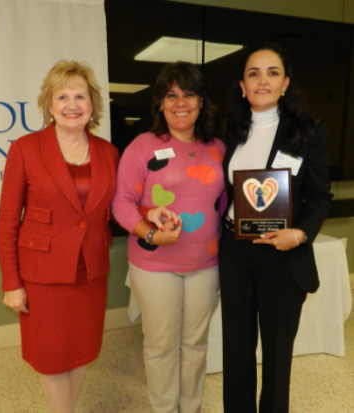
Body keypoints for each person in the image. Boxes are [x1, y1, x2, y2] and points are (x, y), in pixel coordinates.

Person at [0, 60, 119, 413]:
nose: (72, 105)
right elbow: (7, 223)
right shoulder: (25, 149)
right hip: (42, 276)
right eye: (62, 96)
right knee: (50, 359)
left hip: (90, 272)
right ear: (49, 104)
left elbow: (125, 204)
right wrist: (11, 282)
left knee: (82, 352)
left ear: (93, 104)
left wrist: (152, 215)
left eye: (80, 96)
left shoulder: (108, 153)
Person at [219, 42, 333, 412]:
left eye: (272, 73)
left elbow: (319, 198)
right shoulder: (229, 132)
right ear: (242, 85)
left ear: (286, 83)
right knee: (236, 349)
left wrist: (299, 234)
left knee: (277, 353)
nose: (262, 81)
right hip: (235, 251)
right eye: (253, 73)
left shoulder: (310, 132)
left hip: (282, 254)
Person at [111, 61, 226, 413]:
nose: (180, 102)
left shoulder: (219, 148)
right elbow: (121, 203)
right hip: (155, 265)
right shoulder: (143, 146)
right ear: (160, 102)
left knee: (195, 344)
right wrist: (148, 233)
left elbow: (228, 202)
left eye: (189, 94)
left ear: (202, 101)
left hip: (207, 264)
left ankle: (190, 407)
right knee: (161, 345)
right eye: (171, 94)